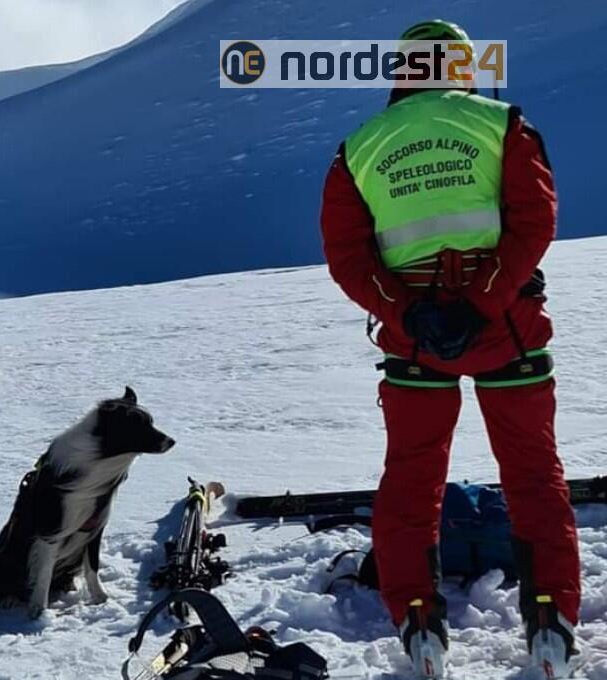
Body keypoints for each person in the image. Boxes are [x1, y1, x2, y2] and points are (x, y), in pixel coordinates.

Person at [320, 20, 580, 677]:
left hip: (416, 344)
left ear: (402, 69)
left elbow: (348, 256)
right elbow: (535, 219)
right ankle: (550, 619)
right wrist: (481, 301)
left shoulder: (358, 148)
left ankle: (416, 618)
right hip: (508, 332)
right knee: (533, 474)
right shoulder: (503, 124)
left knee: (411, 476)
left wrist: (407, 311)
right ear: (463, 65)